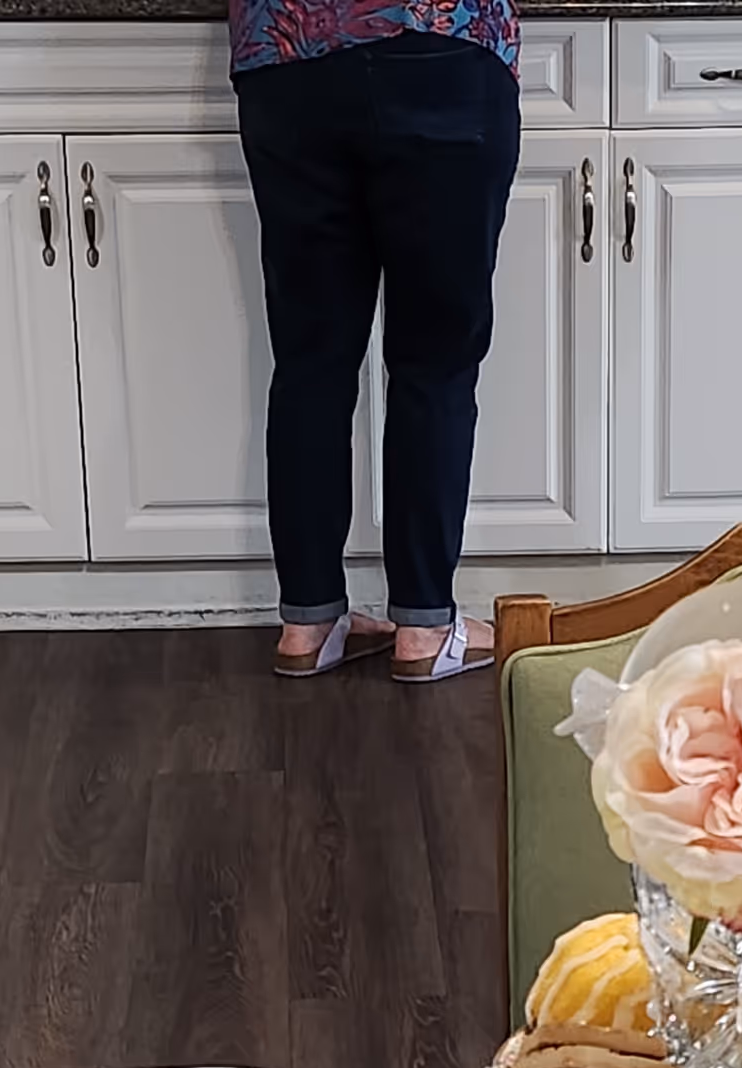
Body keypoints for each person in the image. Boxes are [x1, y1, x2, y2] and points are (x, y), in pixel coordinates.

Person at [233, 0, 519, 685]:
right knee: (435, 360)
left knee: (310, 360)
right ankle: (423, 627)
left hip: (288, 58)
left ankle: (309, 621)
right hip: (439, 48)